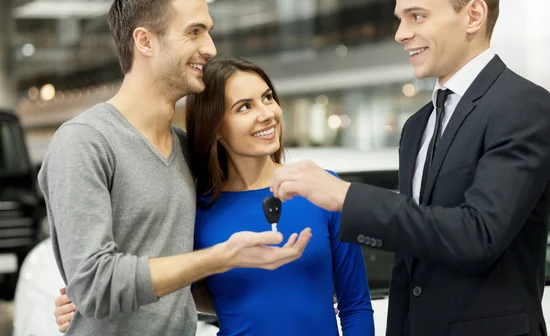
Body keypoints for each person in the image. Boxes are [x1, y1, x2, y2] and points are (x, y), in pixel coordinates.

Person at [270, 0, 550, 336]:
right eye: (400, 18)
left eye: (417, 16)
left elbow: (478, 235)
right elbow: (411, 259)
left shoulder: (523, 106)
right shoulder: (418, 125)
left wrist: (345, 196)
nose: (401, 34)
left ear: (473, 15)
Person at [39, 0, 311, 336]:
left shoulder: (187, 148)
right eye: (194, 32)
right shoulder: (84, 142)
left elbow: (181, 286)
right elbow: (94, 284)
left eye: (208, 31)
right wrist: (219, 258)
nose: (210, 48)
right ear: (145, 41)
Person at [54, 57, 375, 335]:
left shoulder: (322, 189)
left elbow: (356, 306)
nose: (267, 113)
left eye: (267, 98)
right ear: (217, 127)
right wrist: (83, 300)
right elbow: (161, 284)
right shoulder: (197, 211)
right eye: (244, 107)